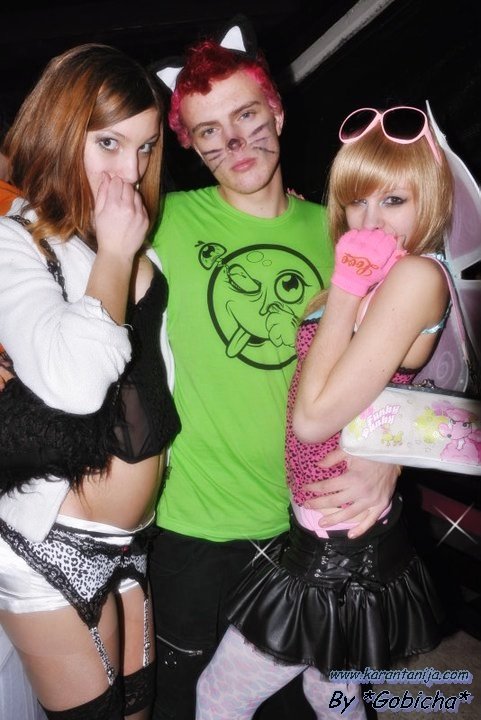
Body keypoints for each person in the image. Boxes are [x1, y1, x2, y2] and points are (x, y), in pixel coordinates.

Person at [149, 26, 399, 720]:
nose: (234, 142)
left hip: (316, 527)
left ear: (278, 111)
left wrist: (389, 461)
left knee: (304, 704)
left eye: (246, 115)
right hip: (195, 528)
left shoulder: (344, 233)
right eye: (209, 131)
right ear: (189, 145)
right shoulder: (161, 221)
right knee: (188, 702)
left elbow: (404, 365)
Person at [195, 105, 453, 719]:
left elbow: (312, 420)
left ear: (432, 201)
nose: (371, 220)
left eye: (394, 200)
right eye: (357, 201)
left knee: (218, 696)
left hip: (339, 547)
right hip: (334, 522)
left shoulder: (416, 276)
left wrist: (344, 286)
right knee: (330, 693)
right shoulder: (386, 274)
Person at [0, 43, 180, 720]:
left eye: (145, 147)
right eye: (108, 142)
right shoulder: (16, 240)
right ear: (60, 130)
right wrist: (116, 253)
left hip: (131, 541)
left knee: (138, 708)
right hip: (47, 544)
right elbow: (74, 384)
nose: (129, 170)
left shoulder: (128, 241)